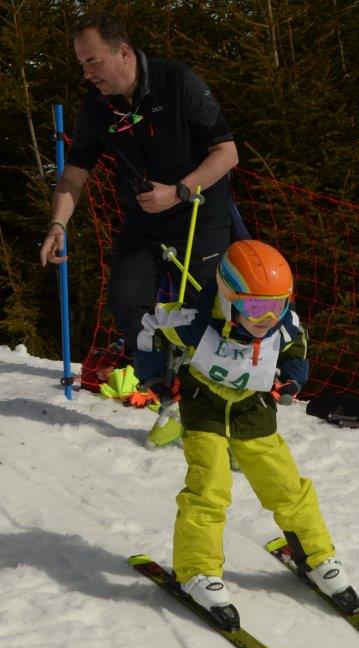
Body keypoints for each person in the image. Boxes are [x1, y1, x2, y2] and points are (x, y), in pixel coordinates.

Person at [134, 238, 359, 623]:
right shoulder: (194, 321)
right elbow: (152, 325)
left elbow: (297, 346)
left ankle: (317, 557)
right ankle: (197, 571)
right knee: (209, 487)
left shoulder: (281, 325)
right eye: (255, 307)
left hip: (253, 409)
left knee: (285, 485)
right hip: (204, 407)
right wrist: (156, 376)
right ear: (228, 296)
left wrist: (292, 378)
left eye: (277, 305)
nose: (267, 318)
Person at [39, 11, 238, 442]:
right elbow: (74, 173)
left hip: (199, 213)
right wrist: (58, 224)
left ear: (124, 53)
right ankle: (170, 397)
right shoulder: (96, 106)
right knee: (127, 303)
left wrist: (178, 191)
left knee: (206, 315)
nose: (87, 73)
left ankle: (219, 414)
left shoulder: (177, 82)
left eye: (93, 61)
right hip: (143, 223)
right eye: (82, 64)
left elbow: (227, 153)